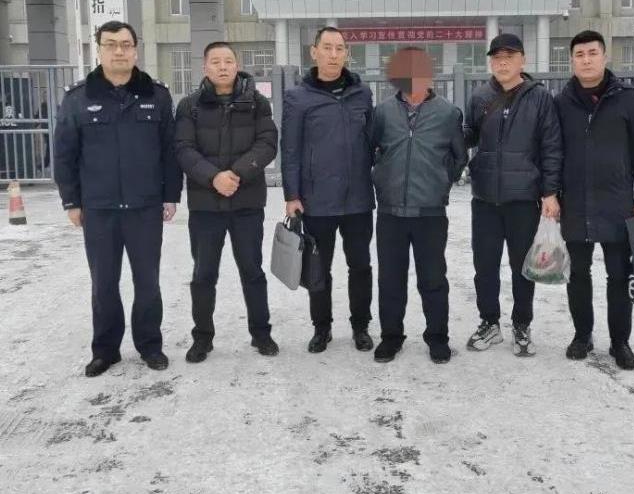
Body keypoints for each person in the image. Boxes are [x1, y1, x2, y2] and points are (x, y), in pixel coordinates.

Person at [54, 20, 182, 377]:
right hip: (99, 208)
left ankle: (150, 345)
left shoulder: (156, 95)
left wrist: (170, 196)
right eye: (110, 45)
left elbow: (169, 151)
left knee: (148, 282)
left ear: (136, 50)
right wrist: (71, 201)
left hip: (145, 206)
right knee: (104, 283)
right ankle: (105, 350)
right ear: (99, 51)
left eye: (125, 44)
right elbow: (64, 154)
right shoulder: (78, 98)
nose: (119, 51)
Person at [554, 29, 634, 371]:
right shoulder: (562, 102)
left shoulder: (627, 98)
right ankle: (582, 335)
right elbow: (553, 152)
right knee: (577, 275)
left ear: (604, 56)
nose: (586, 60)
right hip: (575, 204)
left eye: (592, 53)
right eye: (579, 54)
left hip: (617, 203)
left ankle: (620, 341)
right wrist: (551, 194)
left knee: (619, 275)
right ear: (572, 60)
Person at [174, 42, 279, 362]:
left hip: (246, 203)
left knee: (252, 271)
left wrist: (236, 173)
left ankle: (261, 334)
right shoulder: (190, 106)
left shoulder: (256, 103)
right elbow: (183, 149)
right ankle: (202, 338)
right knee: (204, 274)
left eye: (228, 61)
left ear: (237, 65)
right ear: (205, 67)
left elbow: (267, 143)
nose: (223, 67)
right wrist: (213, 177)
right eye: (216, 61)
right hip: (205, 205)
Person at [463, 33, 562, 356]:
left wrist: (550, 192)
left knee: (522, 267)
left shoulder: (539, 98)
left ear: (522, 60)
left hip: (523, 199)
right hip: (485, 199)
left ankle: (521, 324)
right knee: (485, 265)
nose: (502, 63)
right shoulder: (480, 96)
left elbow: (551, 146)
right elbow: (469, 136)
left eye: (509, 57)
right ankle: (489, 322)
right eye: (496, 58)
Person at [280, 27, 376, 353]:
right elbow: (290, 149)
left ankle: (361, 326)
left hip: (358, 199)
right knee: (319, 269)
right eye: (327, 48)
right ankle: (322, 329)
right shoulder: (297, 98)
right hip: (317, 200)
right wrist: (292, 195)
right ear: (314, 52)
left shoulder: (362, 94)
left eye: (339, 49)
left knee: (360, 266)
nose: (334, 54)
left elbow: (372, 141)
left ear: (346, 53)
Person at [370, 48, 468, 364]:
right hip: (391, 213)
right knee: (390, 279)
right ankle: (391, 337)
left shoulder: (448, 114)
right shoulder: (382, 112)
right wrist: (383, 181)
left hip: (430, 213)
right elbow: (370, 150)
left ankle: (437, 338)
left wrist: (440, 183)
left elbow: (459, 157)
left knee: (433, 279)